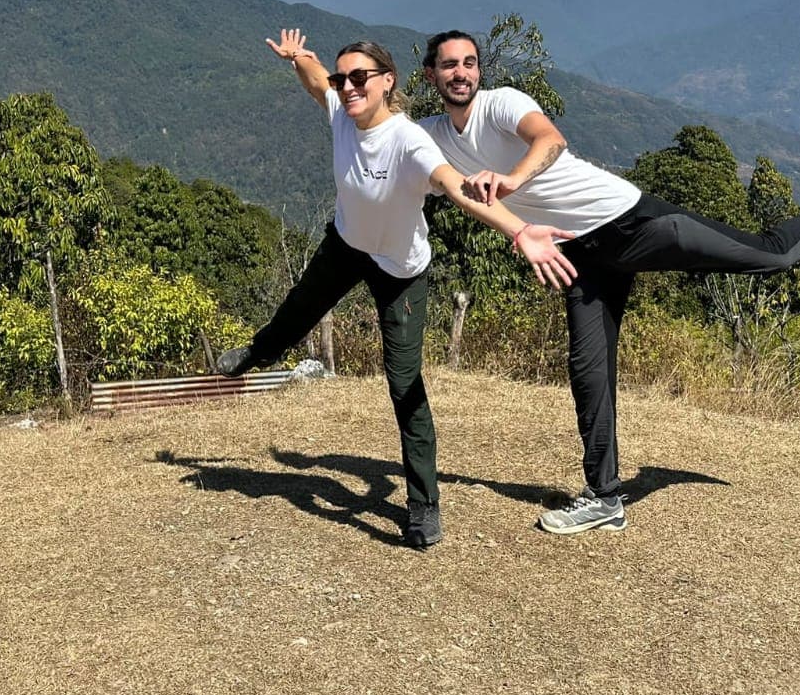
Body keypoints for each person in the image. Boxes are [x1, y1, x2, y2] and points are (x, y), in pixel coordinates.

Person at [417, 29, 800, 536]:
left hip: (633, 223)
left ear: (479, 69)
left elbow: (550, 140)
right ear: (430, 75)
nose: (461, 73)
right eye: (449, 65)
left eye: (470, 63)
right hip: (578, 254)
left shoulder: (503, 104)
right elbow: (366, 121)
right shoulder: (432, 135)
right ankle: (604, 496)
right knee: (589, 369)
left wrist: (511, 181)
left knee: (771, 255)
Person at [216, 29, 577, 550]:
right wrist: (301, 59)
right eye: (345, 78)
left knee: (404, 385)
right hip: (346, 246)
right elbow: (317, 82)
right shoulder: (341, 109)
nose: (348, 86)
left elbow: (456, 188)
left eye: (359, 77)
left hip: (401, 269)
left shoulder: (409, 140)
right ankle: (257, 353)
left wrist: (519, 230)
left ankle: (424, 506)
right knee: (296, 312)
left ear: (388, 82)